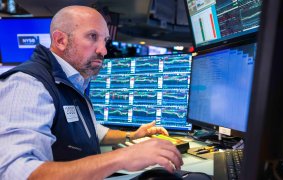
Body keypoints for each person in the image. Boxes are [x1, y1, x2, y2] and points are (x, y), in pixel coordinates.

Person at [0, 5, 183, 179]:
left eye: (104, 41)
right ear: (60, 40)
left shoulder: (73, 79)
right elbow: (16, 173)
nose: (103, 50)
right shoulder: (28, 84)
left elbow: (88, 130)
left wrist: (131, 136)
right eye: (92, 36)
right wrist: (122, 157)